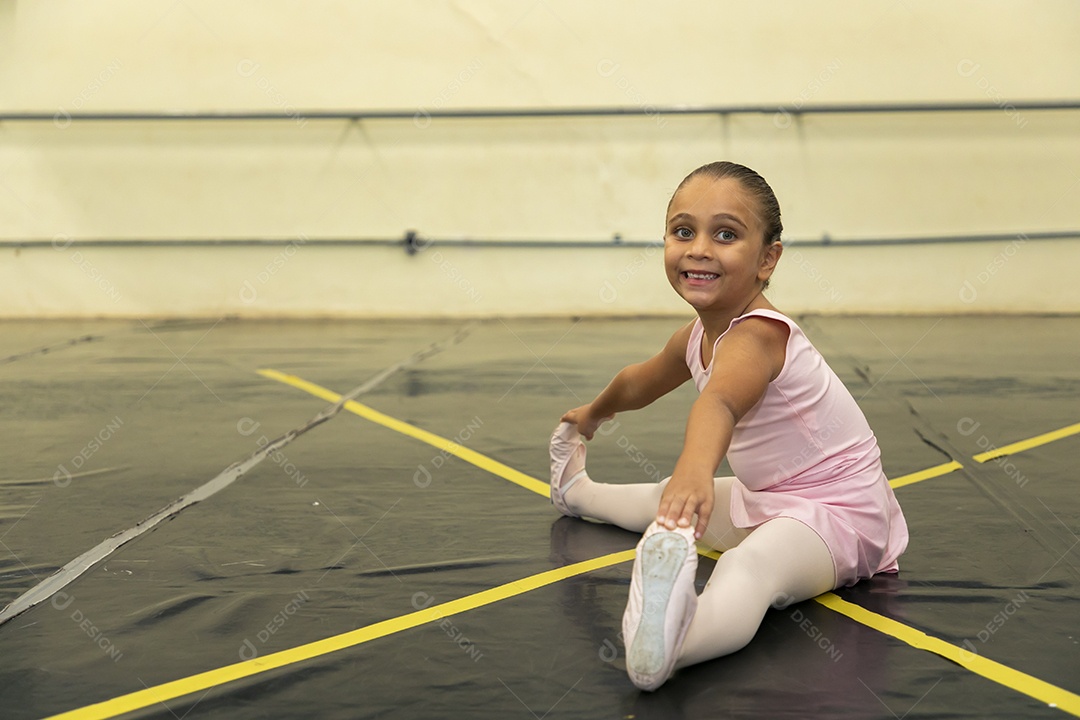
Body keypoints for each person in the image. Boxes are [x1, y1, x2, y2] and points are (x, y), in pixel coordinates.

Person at [549, 161, 908, 691]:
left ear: (768, 259)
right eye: (682, 231)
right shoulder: (695, 336)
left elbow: (718, 403)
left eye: (725, 235)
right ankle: (578, 493)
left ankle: (673, 647)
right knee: (662, 498)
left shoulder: (758, 336)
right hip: (769, 495)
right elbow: (639, 382)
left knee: (749, 567)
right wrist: (596, 411)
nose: (698, 248)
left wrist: (695, 471)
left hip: (840, 513)